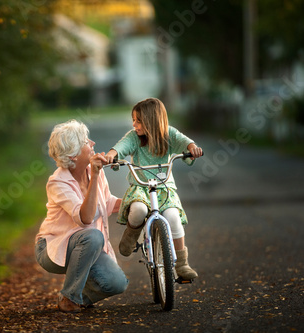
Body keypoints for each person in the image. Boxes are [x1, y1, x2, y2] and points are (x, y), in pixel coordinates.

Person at [35, 120, 128, 313]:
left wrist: (134, 201)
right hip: (52, 248)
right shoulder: (58, 182)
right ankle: (70, 296)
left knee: (118, 283)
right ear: (73, 154)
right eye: (86, 141)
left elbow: (106, 202)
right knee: (93, 236)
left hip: (86, 245)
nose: (93, 143)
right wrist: (95, 175)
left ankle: (74, 298)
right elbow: (85, 218)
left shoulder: (92, 171)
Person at [105, 98, 203, 280]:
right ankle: (131, 235)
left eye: (138, 120)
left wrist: (193, 148)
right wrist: (112, 154)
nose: (134, 124)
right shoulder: (134, 137)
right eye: (133, 120)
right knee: (138, 210)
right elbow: (122, 146)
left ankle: (182, 264)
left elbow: (185, 142)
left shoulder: (169, 134)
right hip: (141, 187)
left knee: (173, 217)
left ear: (151, 120)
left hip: (165, 188)